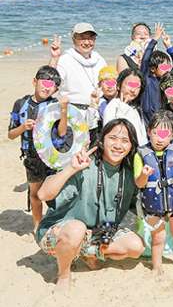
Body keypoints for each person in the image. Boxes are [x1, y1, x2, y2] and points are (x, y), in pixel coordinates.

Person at [36, 119, 146, 293]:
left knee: (136, 245)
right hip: (59, 231)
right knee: (76, 229)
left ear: (131, 146)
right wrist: (71, 169)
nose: (118, 145)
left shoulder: (130, 175)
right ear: (102, 140)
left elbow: (140, 209)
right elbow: (42, 195)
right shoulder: (84, 165)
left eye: (125, 140)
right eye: (113, 138)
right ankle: (64, 274)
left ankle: (88, 254)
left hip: (96, 232)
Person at [8, 66, 68, 235]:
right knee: (35, 194)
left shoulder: (55, 104)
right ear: (35, 81)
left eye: (54, 84)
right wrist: (22, 127)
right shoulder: (20, 104)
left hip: (52, 157)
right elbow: (11, 135)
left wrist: (63, 110)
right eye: (45, 81)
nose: (48, 86)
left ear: (56, 89)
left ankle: (56, 223)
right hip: (31, 157)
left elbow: (62, 132)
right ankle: (37, 225)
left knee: (55, 193)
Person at [134, 109, 173, 277]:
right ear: (149, 132)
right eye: (156, 133)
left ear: (172, 136)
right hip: (152, 204)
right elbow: (139, 183)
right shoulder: (141, 155)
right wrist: (144, 175)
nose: (160, 138)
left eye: (165, 134)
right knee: (158, 238)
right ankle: (156, 267)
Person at [48, 23, 107, 125]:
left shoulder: (99, 60)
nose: (87, 42)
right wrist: (54, 58)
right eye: (82, 38)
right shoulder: (65, 59)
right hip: (72, 114)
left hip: (96, 114)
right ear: (73, 40)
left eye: (91, 38)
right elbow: (50, 83)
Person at [140, 23, 173, 126]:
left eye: (168, 65)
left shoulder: (166, 81)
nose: (167, 69)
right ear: (152, 69)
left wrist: (169, 46)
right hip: (146, 123)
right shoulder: (146, 79)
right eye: (163, 66)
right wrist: (154, 40)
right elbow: (145, 60)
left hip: (162, 122)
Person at [103, 68, 147, 146]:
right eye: (129, 85)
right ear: (118, 86)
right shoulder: (113, 106)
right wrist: (122, 108)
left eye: (137, 86)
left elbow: (142, 136)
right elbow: (110, 132)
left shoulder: (135, 108)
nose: (133, 90)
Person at [86, 66, 119, 140]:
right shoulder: (98, 103)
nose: (110, 86)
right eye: (106, 82)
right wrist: (93, 105)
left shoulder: (122, 102)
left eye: (113, 82)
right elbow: (89, 126)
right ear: (99, 85)